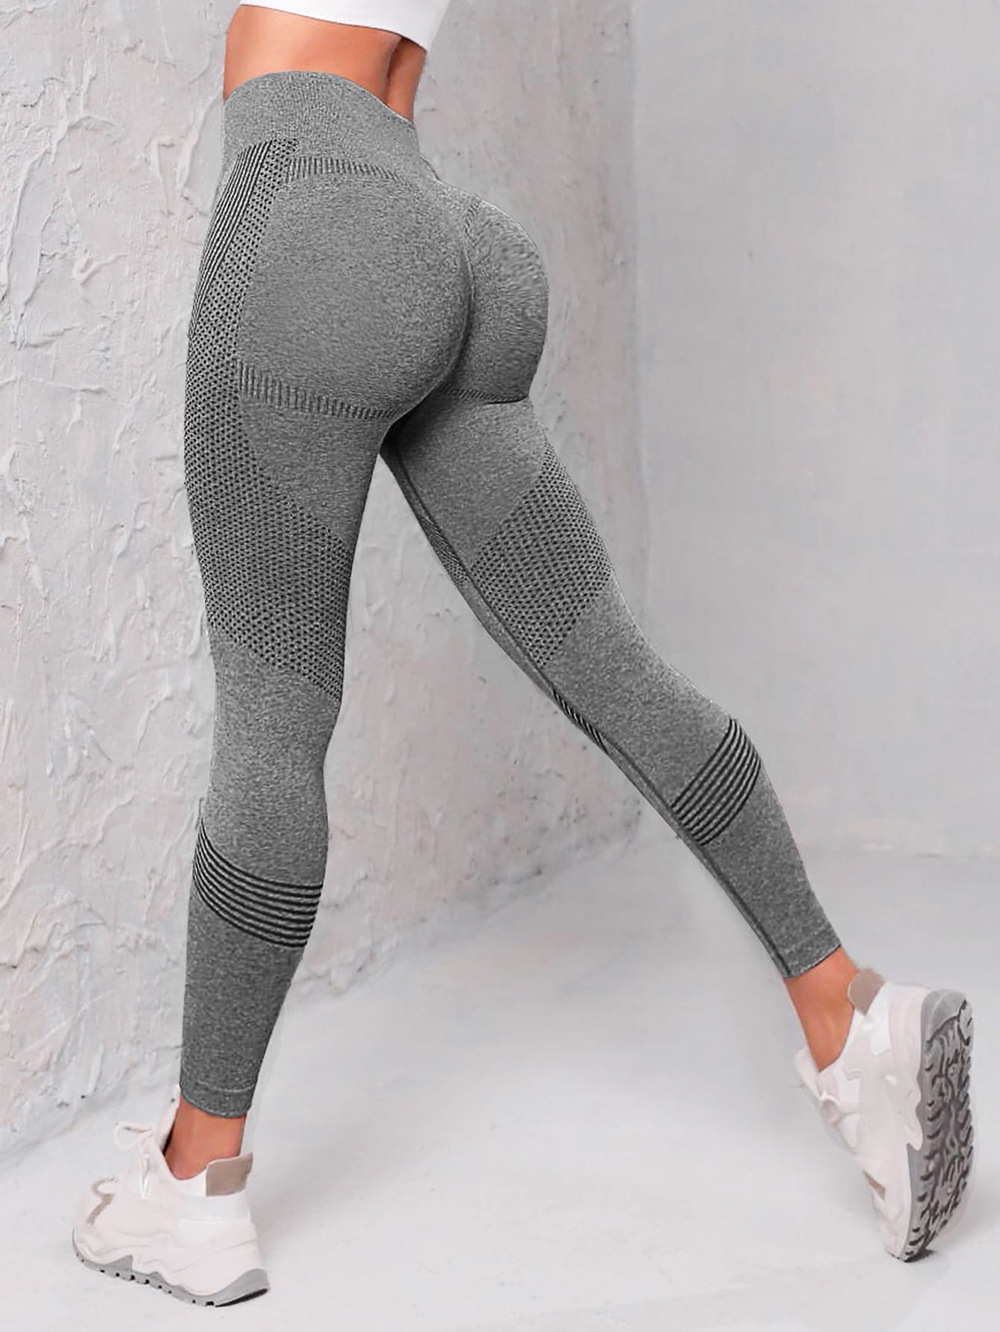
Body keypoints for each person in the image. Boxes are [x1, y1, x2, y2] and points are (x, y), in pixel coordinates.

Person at [71, 1, 975, 1306]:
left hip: (306, 216)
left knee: (272, 718)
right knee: (613, 667)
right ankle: (850, 1015)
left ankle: (195, 1183)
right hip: (452, 243)